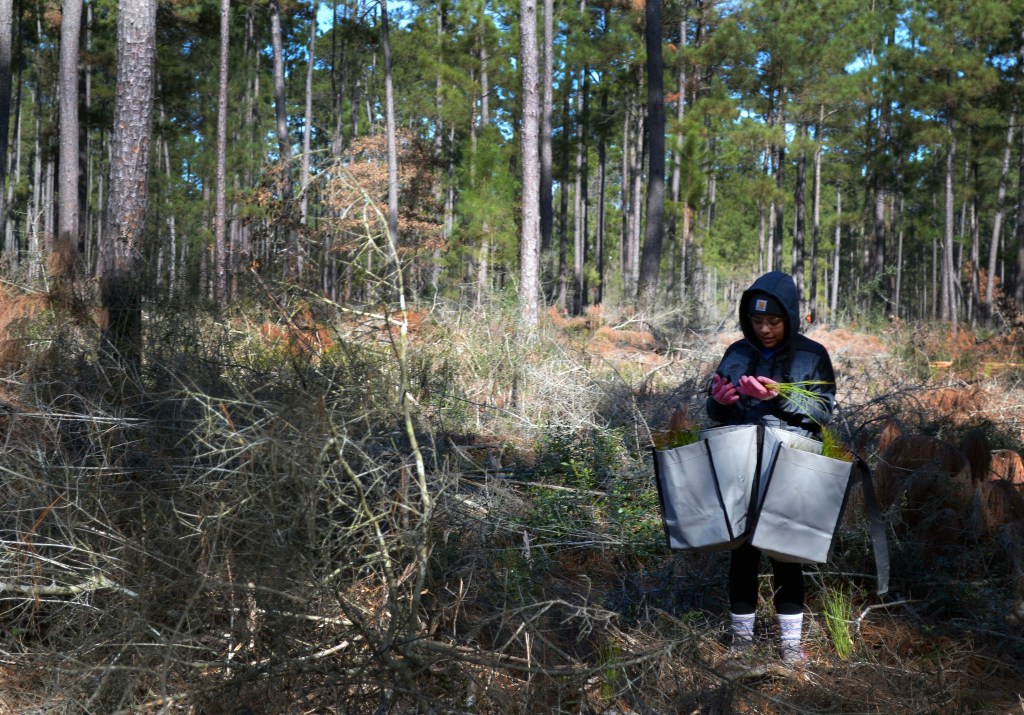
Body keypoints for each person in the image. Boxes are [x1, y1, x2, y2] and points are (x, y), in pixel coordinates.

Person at [706, 270, 836, 663]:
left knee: (786, 553)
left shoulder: (812, 356)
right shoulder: (736, 353)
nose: (765, 329)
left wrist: (778, 398)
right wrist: (721, 402)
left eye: (774, 322)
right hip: (740, 463)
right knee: (742, 553)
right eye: (757, 321)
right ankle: (741, 643)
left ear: (791, 317)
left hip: (790, 465)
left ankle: (790, 648)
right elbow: (714, 410)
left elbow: (822, 412)